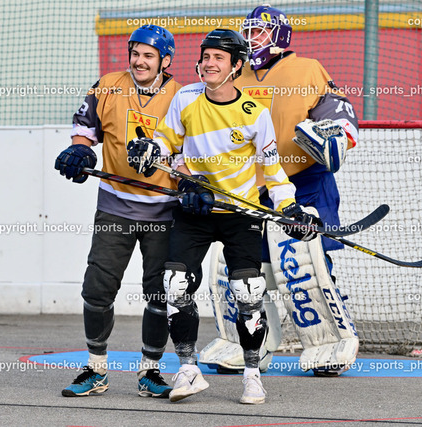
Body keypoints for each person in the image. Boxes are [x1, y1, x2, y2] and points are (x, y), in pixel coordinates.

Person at [127, 28, 318, 404]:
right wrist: (151, 149)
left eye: (219, 57)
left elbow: (273, 170)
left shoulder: (254, 114)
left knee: (248, 293)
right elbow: (168, 141)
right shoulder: (185, 98)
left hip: (239, 213)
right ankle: (187, 368)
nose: (209, 63)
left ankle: (251, 375)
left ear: (236, 67)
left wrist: (290, 208)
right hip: (194, 209)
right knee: (175, 284)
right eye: (205, 56)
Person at [198, 4, 361, 377]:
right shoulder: (234, 81)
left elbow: (338, 112)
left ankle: (327, 342)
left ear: (281, 36)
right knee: (240, 267)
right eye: (249, 31)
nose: (252, 38)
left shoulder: (306, 68)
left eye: (259, 31)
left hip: (303, 182)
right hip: (252, 189)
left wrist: (333, 134)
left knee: (303, 265)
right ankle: (245, 342)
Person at [54, 24, 182, 398]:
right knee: (97, 288)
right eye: (135, 53)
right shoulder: (108, 85)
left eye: (148, 55)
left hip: (163, 211)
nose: (139, 61)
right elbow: (86, 129)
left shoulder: (183, 96)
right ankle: (95, 370)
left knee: (159, 294)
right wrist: (80, 149)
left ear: (165, 61)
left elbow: (190, 151)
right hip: (115, 207)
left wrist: (187, 179)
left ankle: (151, 372)